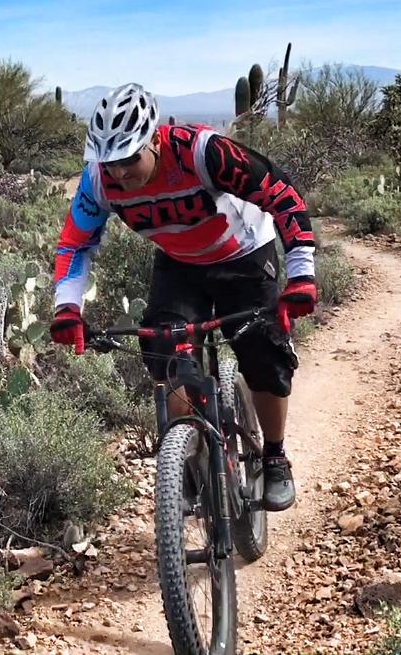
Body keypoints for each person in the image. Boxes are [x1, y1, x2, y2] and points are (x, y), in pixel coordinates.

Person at [49, 82, 317, 511]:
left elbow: (280, 194)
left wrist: (301, 275)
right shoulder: (98, 181)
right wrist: (67, 308)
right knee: (165, 350)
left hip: (244, 255)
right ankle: (188, 457)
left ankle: (274, 456)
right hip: (181, 262)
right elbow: (75, 245)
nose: (119, 173)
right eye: (110, 162)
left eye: (129, 159)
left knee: (261, 351)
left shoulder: (201, 153)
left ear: (154, 139)